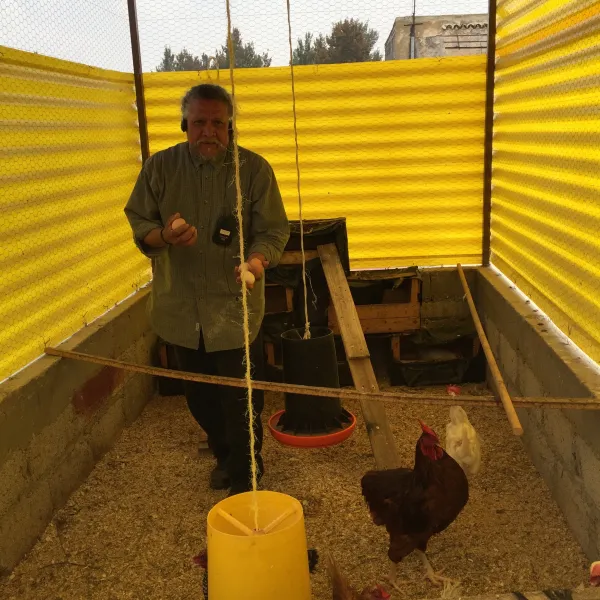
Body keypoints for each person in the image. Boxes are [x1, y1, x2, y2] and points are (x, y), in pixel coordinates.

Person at [124, 83, 290, 496]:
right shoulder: (159, 169)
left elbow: (273, 229)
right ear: (185, 125)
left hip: (234, 309)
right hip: (181, 309)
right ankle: (224, 456)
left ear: (231, 127)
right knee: (199, 397)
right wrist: (164, 235)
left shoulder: (254, 171)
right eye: (199, 122)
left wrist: (256, 260)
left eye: (218, 123)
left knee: (241, 401)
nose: (208, 132)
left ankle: (247, 477)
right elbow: (139, 221)